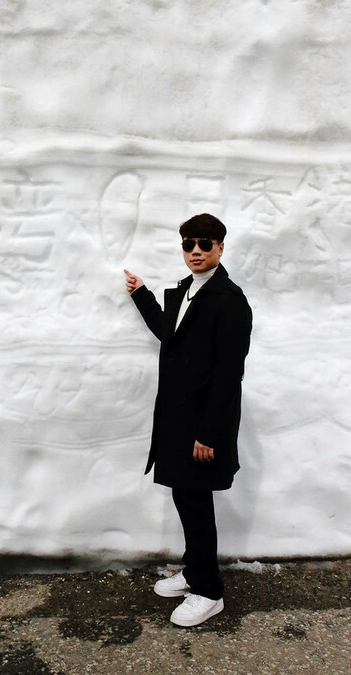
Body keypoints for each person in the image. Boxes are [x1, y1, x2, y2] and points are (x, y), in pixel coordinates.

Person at [124, 213, 252, 627]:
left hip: (201, 427)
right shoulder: (186, 291)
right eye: (188, 244)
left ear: (220, 247)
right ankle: (195, 571)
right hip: (178, 420)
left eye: (204, 243)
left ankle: (209, 592)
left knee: (196, 504)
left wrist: (209, 433)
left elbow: (229, 373)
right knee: (185, 498)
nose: (195, 251)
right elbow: (170, 333)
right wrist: (142, 294)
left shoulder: (230, 301)